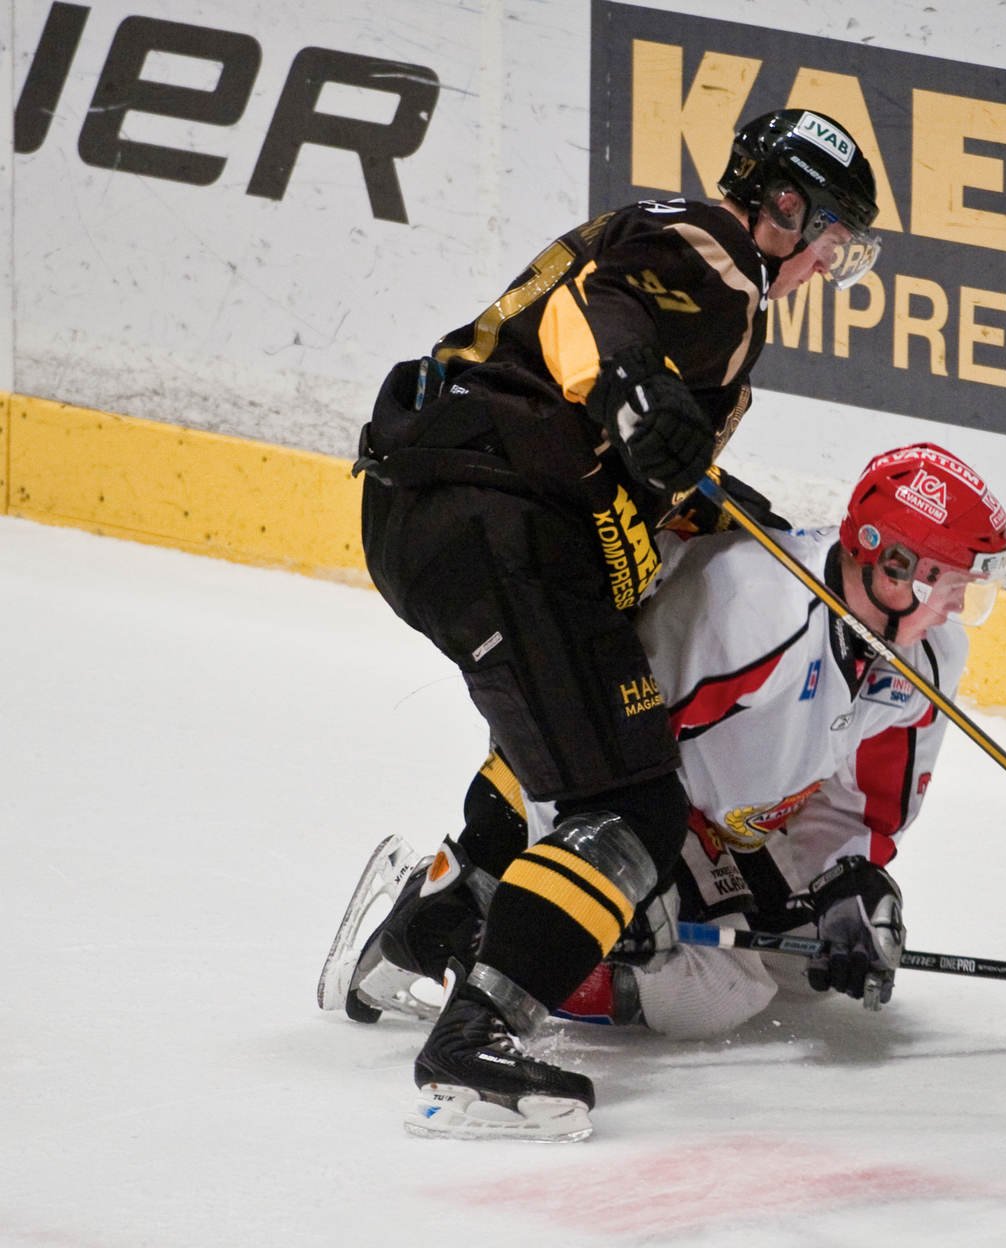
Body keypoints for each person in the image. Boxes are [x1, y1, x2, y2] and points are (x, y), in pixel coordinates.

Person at [344, 108, 882, 1142]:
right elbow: (592, 318)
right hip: (497, 520)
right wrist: (634, 386)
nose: (826, 260)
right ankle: (477, 1036)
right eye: (827, 233)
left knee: (580, 748)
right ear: (779, 204)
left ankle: (429, 930)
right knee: (632, 804)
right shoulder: (715, 257)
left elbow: (609, 407)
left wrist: (708, 497)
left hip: (460, 515)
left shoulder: (703, 279)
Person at [324, 444, 1006, 1140]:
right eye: (950, 582)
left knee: (809, 960)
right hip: (631, 797)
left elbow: (860, 804)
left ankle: (504, 910)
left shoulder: (928, 656)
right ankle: (466, 927)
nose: (957, 605)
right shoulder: (754, 613)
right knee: (715, 990)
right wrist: (598, 881)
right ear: (892, 567)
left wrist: (847, 878)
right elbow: (577, 739)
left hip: (727, 824)